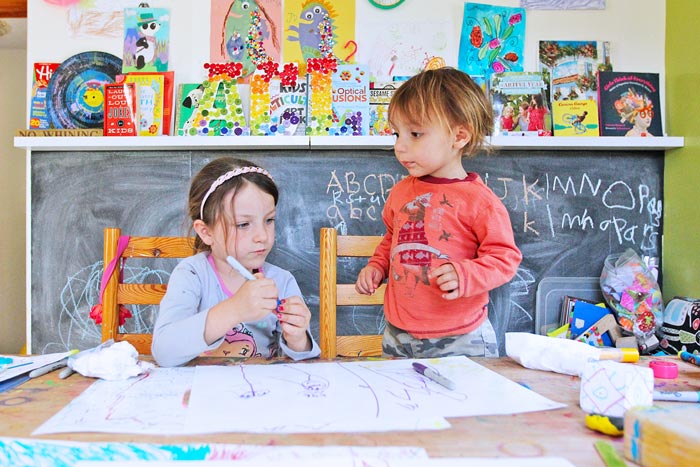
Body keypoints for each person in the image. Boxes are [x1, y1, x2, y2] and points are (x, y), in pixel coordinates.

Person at [355, 67, 522, 359]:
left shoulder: (479, 201)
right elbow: (392, 240)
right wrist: (377, 267)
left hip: (461, 338)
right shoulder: (400, 192)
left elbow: (505, 259)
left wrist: (465, 274)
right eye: (397, 134)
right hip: (398, 333)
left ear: (459, 136)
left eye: (415, 134)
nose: (400, 146)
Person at [152, 157, 320, 367]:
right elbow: (164, 352)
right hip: (203, 386)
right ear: (206, 232)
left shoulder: (282, 281)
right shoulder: (192, 274)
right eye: (243, 224)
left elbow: (304, 364)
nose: (262, 236)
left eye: (269, 220)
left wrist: (298, 338)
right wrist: (235, 309)